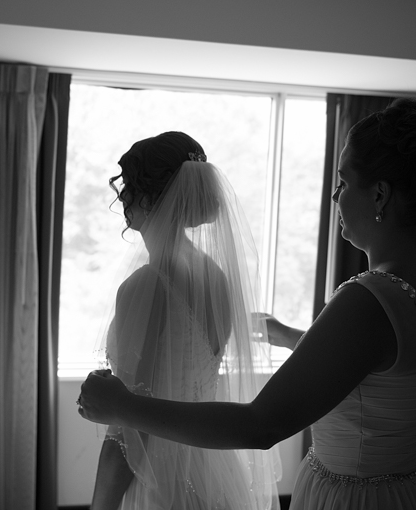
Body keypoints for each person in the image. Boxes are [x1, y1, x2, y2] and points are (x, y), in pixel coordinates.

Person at [79, 99, 416, 510]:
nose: (336, 196)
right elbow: (385, 364)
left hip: (365, 498)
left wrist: (122, 406)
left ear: (379, 195)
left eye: (342, 182)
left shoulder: (368, 300)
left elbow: (260, 425)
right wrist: (289, 335)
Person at [84, 131, 280, 510]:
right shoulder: (215, 278)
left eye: (127, 188)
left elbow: (127, 425)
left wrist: (101, 507)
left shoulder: (146, 285)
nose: (121, 198)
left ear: (146, 198)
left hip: (159, 480)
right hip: (211, 464)